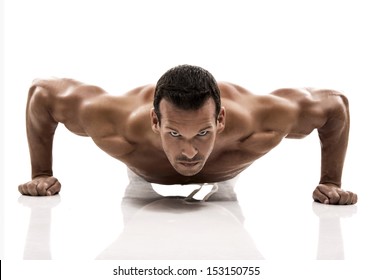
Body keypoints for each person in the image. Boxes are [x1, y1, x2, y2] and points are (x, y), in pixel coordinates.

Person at [18, 65, 357, 205]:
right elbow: (42, 96)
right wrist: (41, 174)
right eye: (175, 133)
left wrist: (331, 181)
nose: (190, 152)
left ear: (221, 119)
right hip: (141, 173)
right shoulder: (114, 123)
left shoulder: (261, 122)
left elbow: (334, 107)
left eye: (203, 132)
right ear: (155, 121)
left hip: (227, 178)